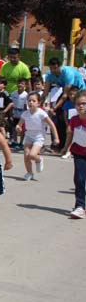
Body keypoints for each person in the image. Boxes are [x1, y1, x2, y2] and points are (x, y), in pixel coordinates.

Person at [17, 92, 59, 181]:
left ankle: (39, 159)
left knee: (32, 155)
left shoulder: (41, 113)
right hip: (28, 135)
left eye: (33, 101)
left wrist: (56, 137)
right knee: (26, 156)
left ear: (38, 103)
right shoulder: (25, 113)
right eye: (29, 100)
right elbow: (19, 124)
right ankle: (29, 173)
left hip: (39, 136)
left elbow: (52, 125)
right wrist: (18, 127)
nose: (31, 102)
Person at [61, 90, 86, 219]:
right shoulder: (74, 119)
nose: (81, 106)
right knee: (79, 179)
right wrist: (66, 148)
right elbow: (70, 134)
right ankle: (80, 206)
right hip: (79, 152)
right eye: (78, 104)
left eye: (83, 103)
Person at [10, 78, 28, 149]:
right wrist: (11, 114)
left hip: (22, 113)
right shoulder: (13, 93)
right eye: (19, 83)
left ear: (25, 86)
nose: (20, 85)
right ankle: (15, 141)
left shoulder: (26, 95)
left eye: (22, 84)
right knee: (14, 128)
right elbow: (11, 104)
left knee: (22, 129)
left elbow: (26, 106)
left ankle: (21, 142)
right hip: (15, 112)